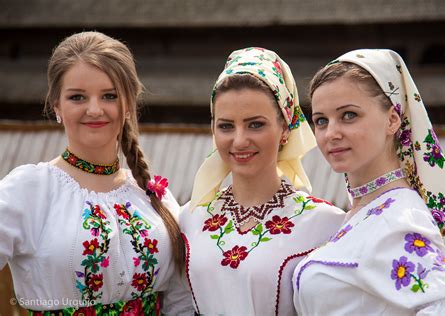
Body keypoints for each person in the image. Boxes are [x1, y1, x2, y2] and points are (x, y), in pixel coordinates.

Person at [0, 31, 193, 314]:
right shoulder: (29, 191)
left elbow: (181, 300)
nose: (94, 109)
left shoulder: (152, 197)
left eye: (109, 96)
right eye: (77, 97)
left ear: (127, 104)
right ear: (57, 105)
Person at [293, 48, 445, 315]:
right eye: (321, 120)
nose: (331, 133)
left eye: (349, 115)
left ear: (392, 119)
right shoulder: (365, 214)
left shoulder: (399, 219)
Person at [179, 47, 346, 315]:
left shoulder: (327, 225)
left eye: (255, 124)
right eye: (226, 126)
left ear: (284, 128)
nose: (240, 140)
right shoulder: (190, 217)